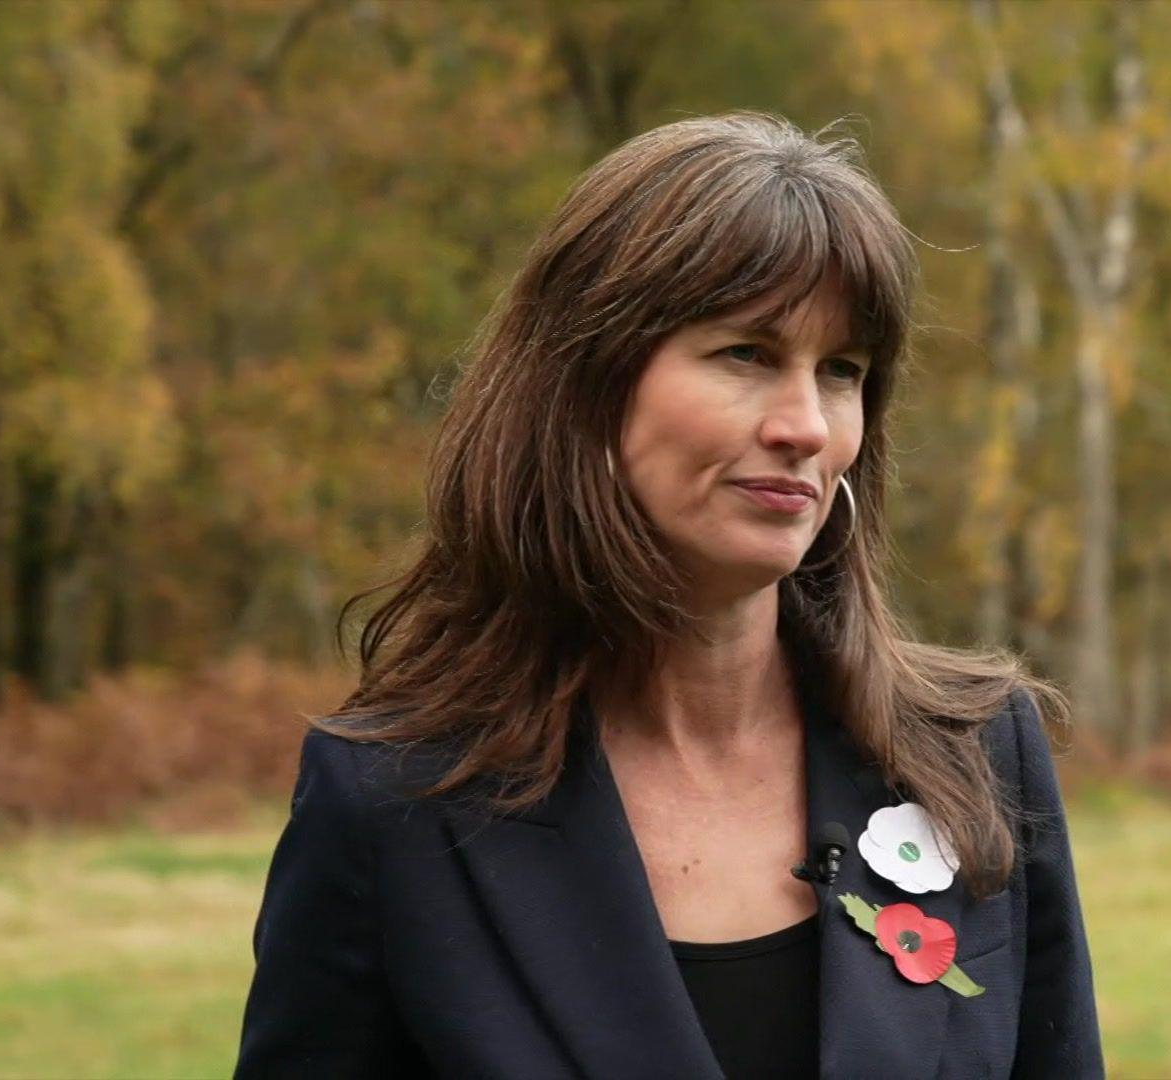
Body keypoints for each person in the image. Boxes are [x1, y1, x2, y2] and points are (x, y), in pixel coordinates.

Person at [234, 110, 1103, 1080]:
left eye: (843, 371)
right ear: (587, 388)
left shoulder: (977, 757)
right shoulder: (395, 808)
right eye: (747, 354)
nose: (806, 425)